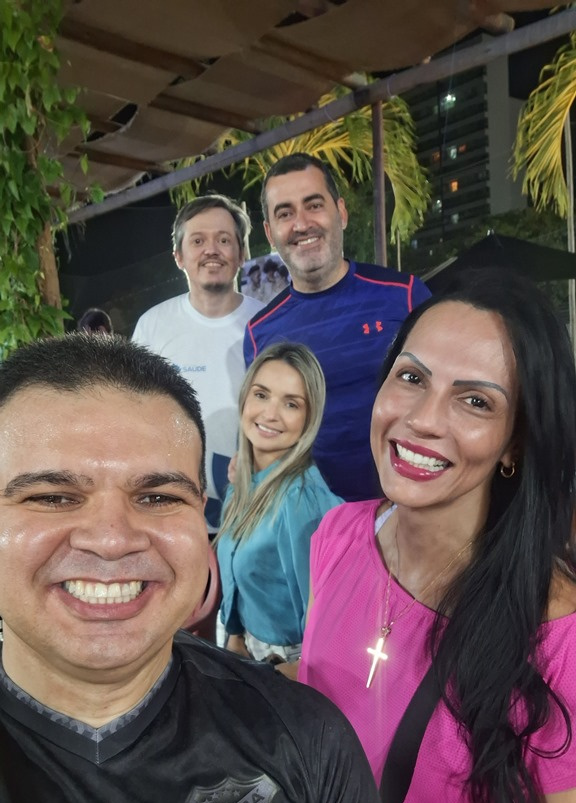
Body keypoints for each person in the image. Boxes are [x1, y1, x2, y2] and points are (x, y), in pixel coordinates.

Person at [0, 332, 426, 803]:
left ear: (198, 508)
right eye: (51, 496)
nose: (111, 538)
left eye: (156, 496)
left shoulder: (304, 742)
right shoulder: (253, 492)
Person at [298, 268, 576, 803]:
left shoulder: (556, 637)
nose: (422, 420)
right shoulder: (336, 537)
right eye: (412, 377)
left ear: (517, 441)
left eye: (475, 401)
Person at [243, 153, 430, 502]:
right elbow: (266, 433)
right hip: (310, 519)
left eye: (314, 205)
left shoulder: (405, 296)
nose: (301, 224)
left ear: (341, 213)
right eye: (285, 213)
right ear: (270, 232)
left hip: (406, 508)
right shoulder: (259, 333)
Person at [132, 194, 264, 532]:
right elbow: (134, 415)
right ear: (179, 256)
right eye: (198, 241)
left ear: (242, 253)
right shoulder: (153, 327)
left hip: (256, 509)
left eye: (224, 240)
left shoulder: (267, 323)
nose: (211, 250)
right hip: (174, 510)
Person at [216, 342, 342, 665]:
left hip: (285, 662)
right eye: (261, 395)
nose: (270, 414)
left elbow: (324, 622)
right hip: (245, 646)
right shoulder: (242, 481)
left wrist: (288, 675)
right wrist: (235, 636)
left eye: (291, 404)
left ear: (309, 418)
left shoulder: (301, 501)